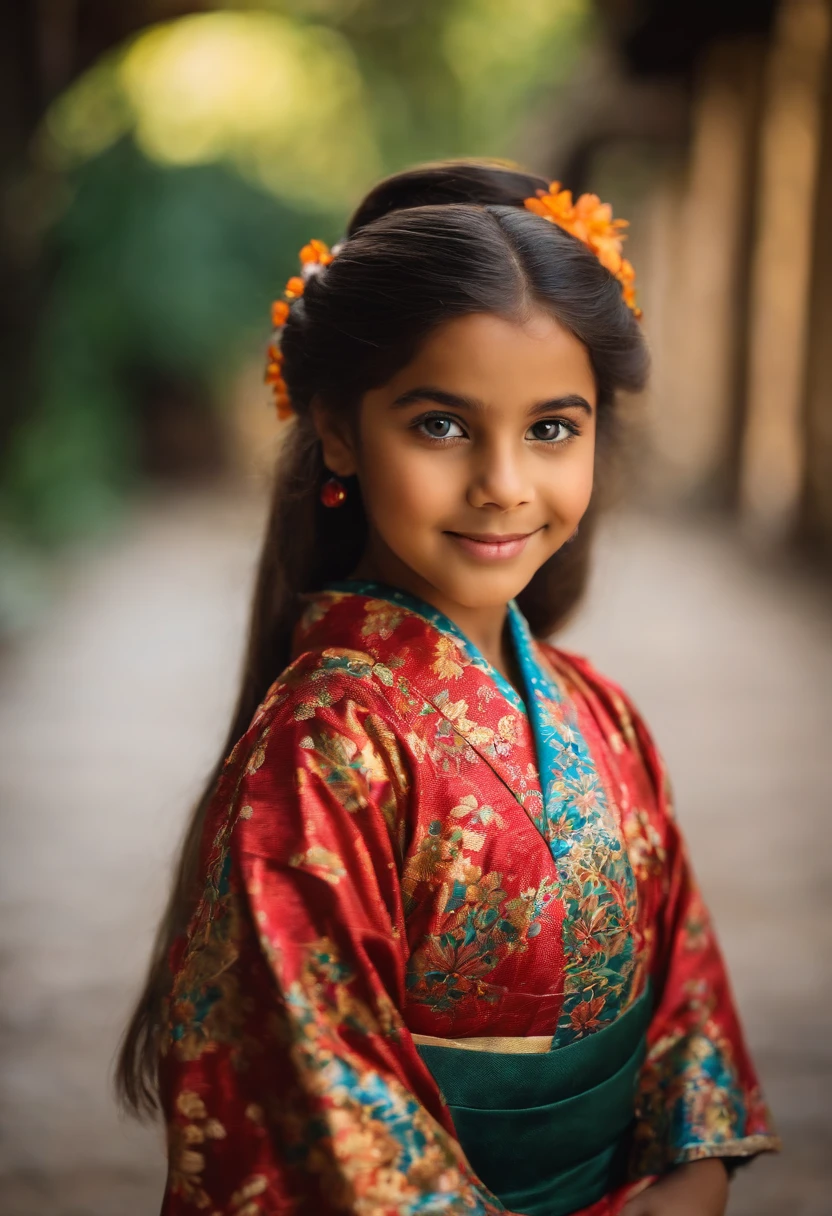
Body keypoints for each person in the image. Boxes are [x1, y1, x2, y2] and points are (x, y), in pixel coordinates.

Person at [117, 160, 779, 1216]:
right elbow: (327, 1101)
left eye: (552, 427)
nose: (504, 482)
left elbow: (683, 996)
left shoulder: (598, 708)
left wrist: (690, 1176)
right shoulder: (319, 747)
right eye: (440, 424)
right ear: (338, 427)